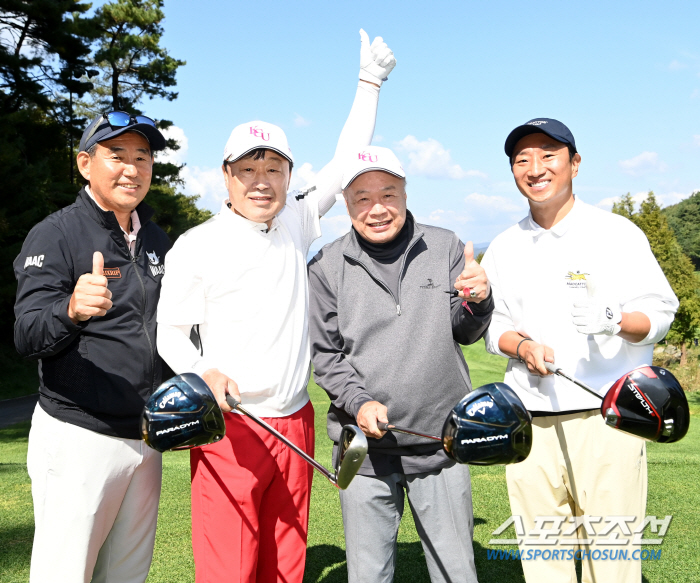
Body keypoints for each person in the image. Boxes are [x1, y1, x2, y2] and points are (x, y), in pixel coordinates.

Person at [155, 30, 396, 583]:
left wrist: (369, 83)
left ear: (288, 176)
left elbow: (344, 163)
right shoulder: (197, 244)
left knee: (285, 567)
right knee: (229, 569)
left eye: (273, 170)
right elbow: (171, 333)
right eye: (248, 170)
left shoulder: (297, 220)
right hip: (229, 429)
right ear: (226, 176)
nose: (261, 182)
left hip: (296, 422)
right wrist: (200, 372)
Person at [481, 118, 679, 583]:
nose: (535, 168)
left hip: (608, 418)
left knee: (611, 559)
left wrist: (618, 321)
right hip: (530, 422)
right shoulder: (506, 245)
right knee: (542, 560)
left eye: (549, 154)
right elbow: (495, 326)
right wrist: (523, 345)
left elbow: (660, 315)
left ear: (575, 163)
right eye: (522, 159)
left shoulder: (617, 232)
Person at [308, 145, 492, 583]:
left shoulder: (444, 244)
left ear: (405, 192)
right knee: (369, 575)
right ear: (347, 205)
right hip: (363, 451)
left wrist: (479, 302)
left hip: (441, 443)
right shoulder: (325, 265)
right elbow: (327, 355)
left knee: (456, 573)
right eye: (362, 198)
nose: (377, 209)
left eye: (388, 194)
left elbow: (465, 330)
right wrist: (359, 402)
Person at [14, 112, 170, 582]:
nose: (132, 168)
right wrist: (71, 309)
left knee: (125, 576)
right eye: (116, 155)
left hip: (145, 439)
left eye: (142, 157)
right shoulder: (55, 234)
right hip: (78, 435)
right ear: (85, 164)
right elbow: (26, 334)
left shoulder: (158, 239)